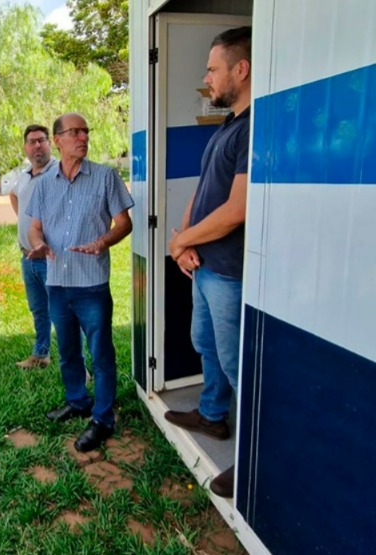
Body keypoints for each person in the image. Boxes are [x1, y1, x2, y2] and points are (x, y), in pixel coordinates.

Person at [164, 26, 252, 499]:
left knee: (238, 364)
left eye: (213, 68)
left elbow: (237, 210)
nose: (207, 78)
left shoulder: (255, 125)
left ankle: (256, 459)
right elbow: (202, 193)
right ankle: (213, 416)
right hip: (205, 263)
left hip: (229, 270)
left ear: (241, 68)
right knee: (205, 342)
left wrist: (182, 243)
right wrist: (182, 240)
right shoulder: (228, 125)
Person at [27, 112, 134, 453]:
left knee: (101, 352)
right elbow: (35, 226)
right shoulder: (43, 184)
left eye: (86, 131)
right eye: (74, 132)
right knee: (68, 350)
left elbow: (124, 223)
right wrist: (38, 244)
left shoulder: (105, 177)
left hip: (91, 284)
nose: (83, 137)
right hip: (57, 282)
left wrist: (104, 241)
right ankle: (77, 401)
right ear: (57, 140)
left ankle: (103, 418)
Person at [10, 124, 58, 369]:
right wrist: (25, 222)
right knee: (39, 310)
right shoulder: (25, 175)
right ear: (25, 147)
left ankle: (78, 366)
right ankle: (41, 355)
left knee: (64, 313)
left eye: (41, 140)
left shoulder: (59, 172)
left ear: (50, 143)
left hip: (52, 258)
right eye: (32, 141)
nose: (37, 145)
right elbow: (14, 195)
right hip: (28, 258)